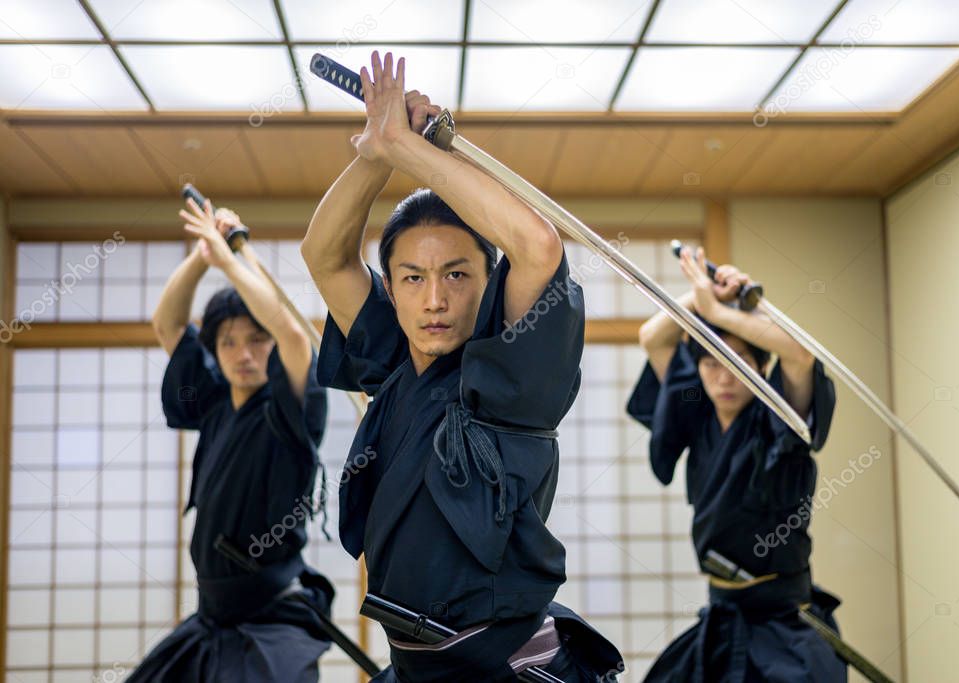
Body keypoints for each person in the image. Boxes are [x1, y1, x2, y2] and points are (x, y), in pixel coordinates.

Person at [301, 51, 623, 682]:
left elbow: (538, 246)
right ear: (390, 289)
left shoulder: (514, 382)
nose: (435, 299)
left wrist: (415, 151)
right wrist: (374, 153)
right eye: (413, 278)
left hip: (502, 666)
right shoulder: (394, 366)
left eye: (456, 274)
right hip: (411, 665)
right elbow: (325, 257)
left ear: (488, 282)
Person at [130, 202, 333, 682]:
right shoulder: (216, 404)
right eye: (227, 342)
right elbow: (169, 325)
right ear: (215, 350)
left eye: (255, 340)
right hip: (212, 615)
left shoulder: (290, 408)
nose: (242, 354)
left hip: (272, 616)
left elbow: (292, 334)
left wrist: (229, 262)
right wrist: (203, 255)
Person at [626, 246, 846, 682]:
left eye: (739, 363)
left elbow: (800, 356)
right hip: (723, 613)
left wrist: (721, 314)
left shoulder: (780, 418)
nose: (723, 378)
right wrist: (701, 297)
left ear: (763, 367)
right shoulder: (694, 410)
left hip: (784, 617)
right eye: (711, 363)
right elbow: (653, 337)